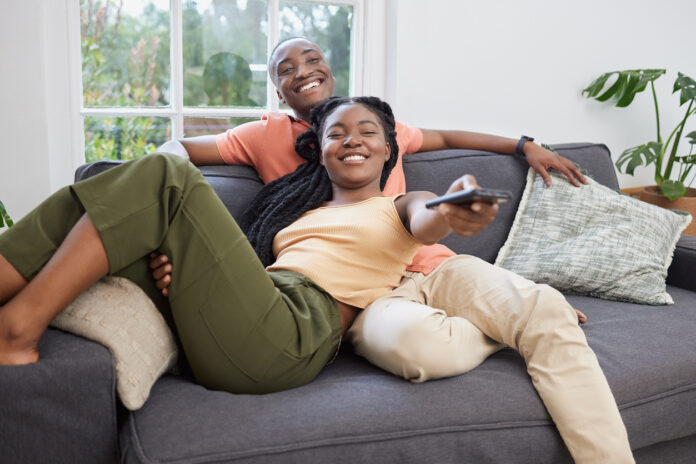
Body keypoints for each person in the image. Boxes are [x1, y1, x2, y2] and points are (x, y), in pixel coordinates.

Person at [0, 96, 631, 463]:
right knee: (88, 196)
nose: (352, 140)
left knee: (163, 177)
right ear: (320, 150)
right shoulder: (293, 217)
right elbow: (245, 274)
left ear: (390, 151)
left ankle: (18, 327)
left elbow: (431, 217)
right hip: (252, 317)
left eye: (368, 133)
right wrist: (181, 275)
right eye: (337, 133)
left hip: (294, 335)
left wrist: (457, 203)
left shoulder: (397, 207)